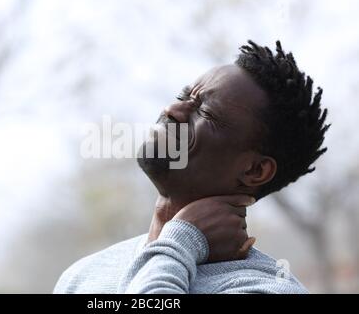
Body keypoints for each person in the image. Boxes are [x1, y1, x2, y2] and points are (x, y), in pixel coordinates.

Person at [53, 40, 329, 294]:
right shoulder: (82, 276)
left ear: (254, 170)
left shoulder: (266, 288)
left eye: (206, 113)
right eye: (184, 96)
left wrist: (181, 241)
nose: (172, 109)